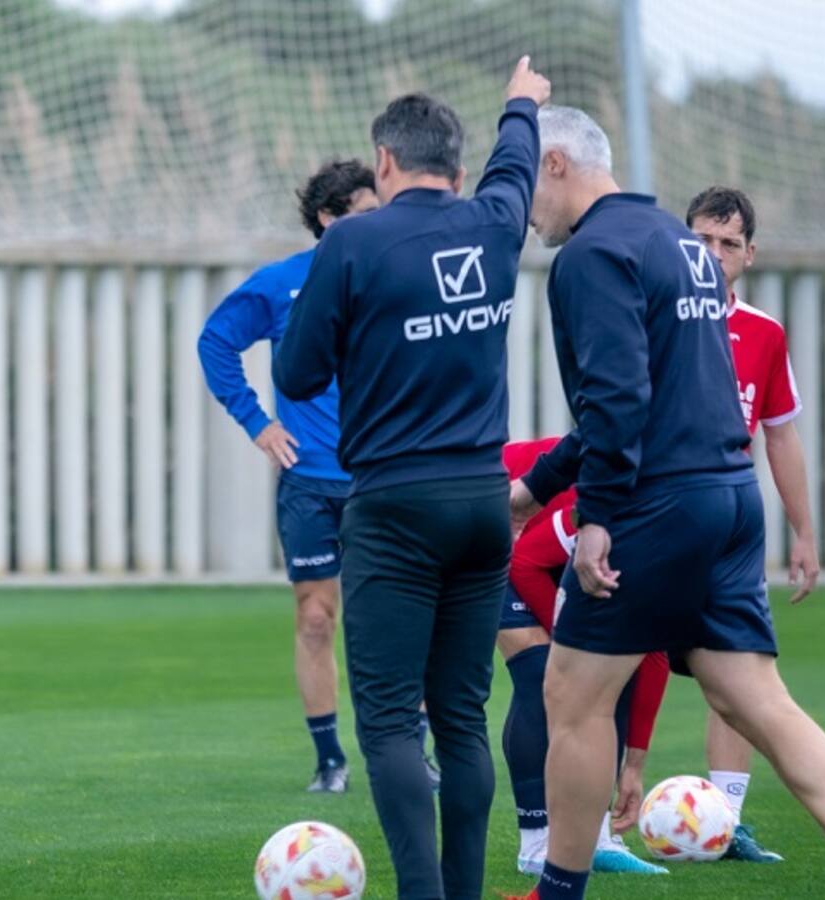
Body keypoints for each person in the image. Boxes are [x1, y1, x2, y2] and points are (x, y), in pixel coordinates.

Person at [512, 104, 825, 900]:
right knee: (756, 695)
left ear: (555, 166)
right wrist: (538, 487)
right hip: (730, 497)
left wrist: (594, 518)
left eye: (526, 183)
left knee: (571, 693)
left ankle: (557, 890)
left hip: (655, 506)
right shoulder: (676, 243)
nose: (525, 210)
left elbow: (619, 402)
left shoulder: (592, 255)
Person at [274, 56, 551, 900]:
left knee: (392, 720)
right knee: (462, 716)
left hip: (393, 505)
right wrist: (520, 106)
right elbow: (517, 168)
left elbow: (295, 373)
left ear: (383, 164)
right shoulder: (496, 222)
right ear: (457, 170)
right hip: (481, 502)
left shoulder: (354, 239)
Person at [197, 160, 378, 793]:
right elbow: (215, 341)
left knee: (390, 620)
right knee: (315, 617)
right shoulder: (282, 284)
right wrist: (257, 423)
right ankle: (330, 759)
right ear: (329, 218)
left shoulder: (391, 277)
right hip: (308, 481)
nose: (379, 222)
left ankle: (413, 751)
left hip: (381, 481)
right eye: (365, 211)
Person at [687, 184, 820, 863]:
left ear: (749, 254)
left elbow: (781, 436)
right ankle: (586, 830)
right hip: (652, 517)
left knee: (734, 672)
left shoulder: (764, 334)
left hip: (729, 526)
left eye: (728, 243)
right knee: (605, 670)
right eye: (702, 240)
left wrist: (803, 531)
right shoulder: (653, 317)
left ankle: (723, 823)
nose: (713, 255)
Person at [497, 438, 669, 879]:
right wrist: (569, 649)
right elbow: (524, 564)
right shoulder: (613, 503)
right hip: (502, 534)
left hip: (555, 557)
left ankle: (597, 837)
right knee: (540, 674)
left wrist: (635, 765)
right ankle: (534, 842)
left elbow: (653, 655)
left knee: (610, 672)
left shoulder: (672, 532)